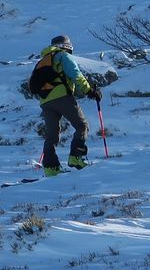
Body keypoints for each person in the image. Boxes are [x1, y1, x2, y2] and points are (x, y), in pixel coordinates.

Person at [34, 34, 101, 177]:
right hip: (62, 96)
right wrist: (89, 91)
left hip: (45, 101)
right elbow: (76, 75)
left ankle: (51, 168)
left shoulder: (43, 61)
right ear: (67, 46)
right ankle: (76, 157)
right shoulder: (63, 56)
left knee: (52, 135)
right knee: (82, 125)